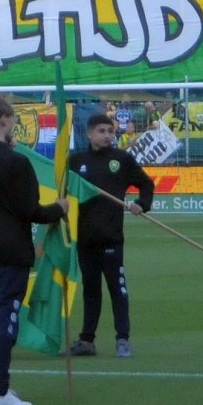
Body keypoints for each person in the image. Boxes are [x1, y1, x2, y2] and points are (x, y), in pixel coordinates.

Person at [0, 97, 67, 405]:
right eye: (13, 117)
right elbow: (30, 209)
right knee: (6, 317)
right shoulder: (17, 162)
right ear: (5, 119)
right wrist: (58, 209)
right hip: (11, 248)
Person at [65, 112, 156, 358]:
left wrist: (141, 204)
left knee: (118, 289)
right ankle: (87, 341)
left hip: (112, 238)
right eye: (102, 131)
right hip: (84, 239)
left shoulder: (122, 160)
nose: (107, 136)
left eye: (110, 131)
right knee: (90, 291)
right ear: (89, 133)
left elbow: (147, 184)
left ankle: (123, 339)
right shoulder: (75, 161)